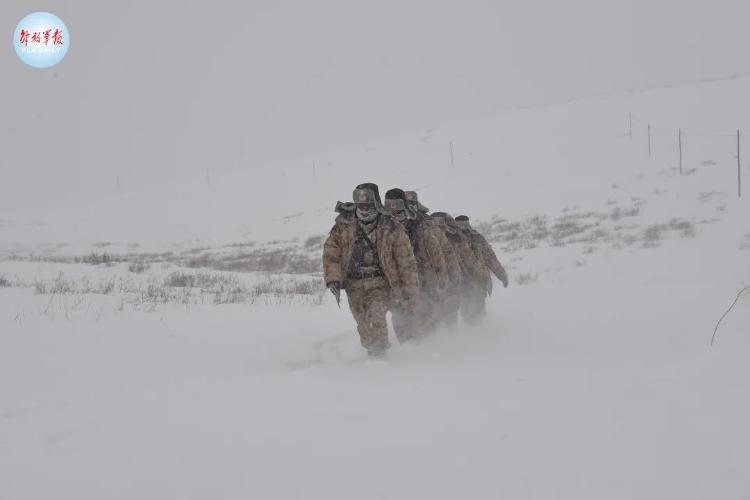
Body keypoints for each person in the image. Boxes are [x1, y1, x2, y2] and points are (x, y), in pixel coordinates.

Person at [323, 186, 419, 357]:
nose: (365, 210)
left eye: (368, 205)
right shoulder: (343, 225)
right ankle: (373, 351)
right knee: (363, 323)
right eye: (361, 206)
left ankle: (379, 356)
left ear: (375, 203)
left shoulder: (391, 227)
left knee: (376, 315)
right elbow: (331, 252)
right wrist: (333, 278)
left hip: (381, 283)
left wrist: (410, 290)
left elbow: (406, 261)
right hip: (354, 284)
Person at [383, 188, 448, 338]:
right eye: (391, 206)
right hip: (397, 280)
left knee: (424, 312)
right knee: (399, 315)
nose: (394, 212)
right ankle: (408, 347)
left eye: (398, 206)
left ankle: (426, 343)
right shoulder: (384, 227)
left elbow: (436, 252)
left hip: (423, 276)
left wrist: (441, 275)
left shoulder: (419, 224)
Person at [454, 215, 509, 324]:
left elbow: (490, 258)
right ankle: (473, 334)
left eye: (465, 224)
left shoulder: (477, 238)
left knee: (477, 311)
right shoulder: (452, 239)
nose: (463, 227)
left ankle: (478, 333)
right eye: (460, 224)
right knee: (466, 310)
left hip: (479, 281)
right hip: (462, 282)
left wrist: (502, 275)